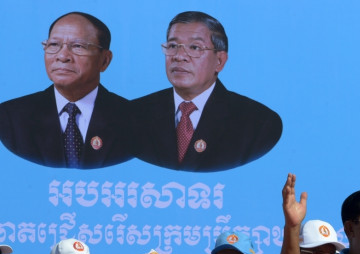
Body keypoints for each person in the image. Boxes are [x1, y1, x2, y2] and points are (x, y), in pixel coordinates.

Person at [132, 11, 282, 172]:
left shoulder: (259, 123)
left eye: (195, 47)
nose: (179, 56)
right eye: (173, 46)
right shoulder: (133, 113)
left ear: (220, 61)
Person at [0, 12, 132, 169]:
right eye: (54, 45)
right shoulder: (9, 117)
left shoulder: (134, 120)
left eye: (78, 46)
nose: (62, 56)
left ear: (104, 60)